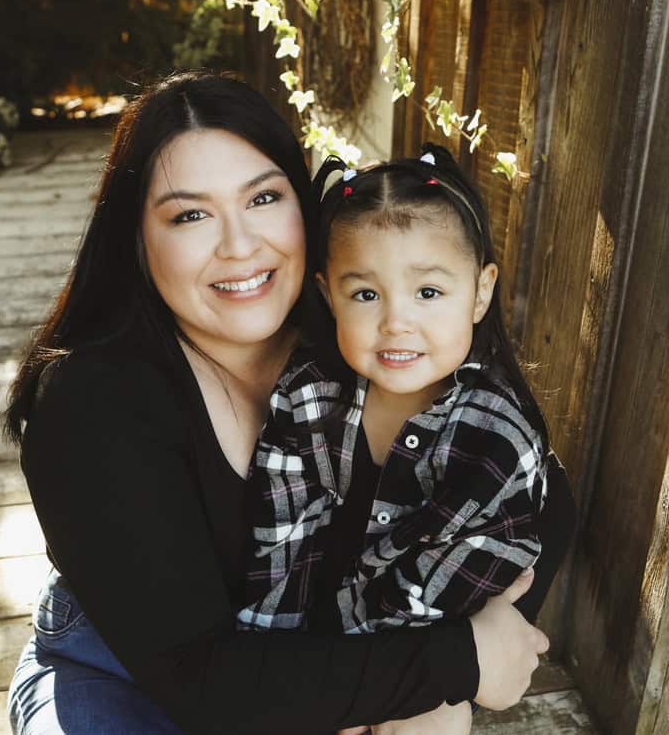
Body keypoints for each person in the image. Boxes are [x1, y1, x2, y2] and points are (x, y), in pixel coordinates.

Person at [4, 71, 557, 735]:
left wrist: (484, 630)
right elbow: (197, 678)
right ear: (137, 241)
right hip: (134, 672)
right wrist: (454, 659)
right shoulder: (93, 402)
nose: (240, 246)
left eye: (263, 197)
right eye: (190, 215)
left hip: (328, 663)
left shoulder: (363, 334)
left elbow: (541, 494)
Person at [237, 146, 575, 733]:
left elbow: (442, 585)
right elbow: (282, 540)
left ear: (480, 292)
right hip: (328, 647)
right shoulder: (308, 395)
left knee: (426, 725)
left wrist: (355, 682)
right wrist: (288, 675)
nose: (396, 321)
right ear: (328, 295)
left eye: (428, 293)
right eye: (366, 295)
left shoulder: (494, 432)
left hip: (429, 644)